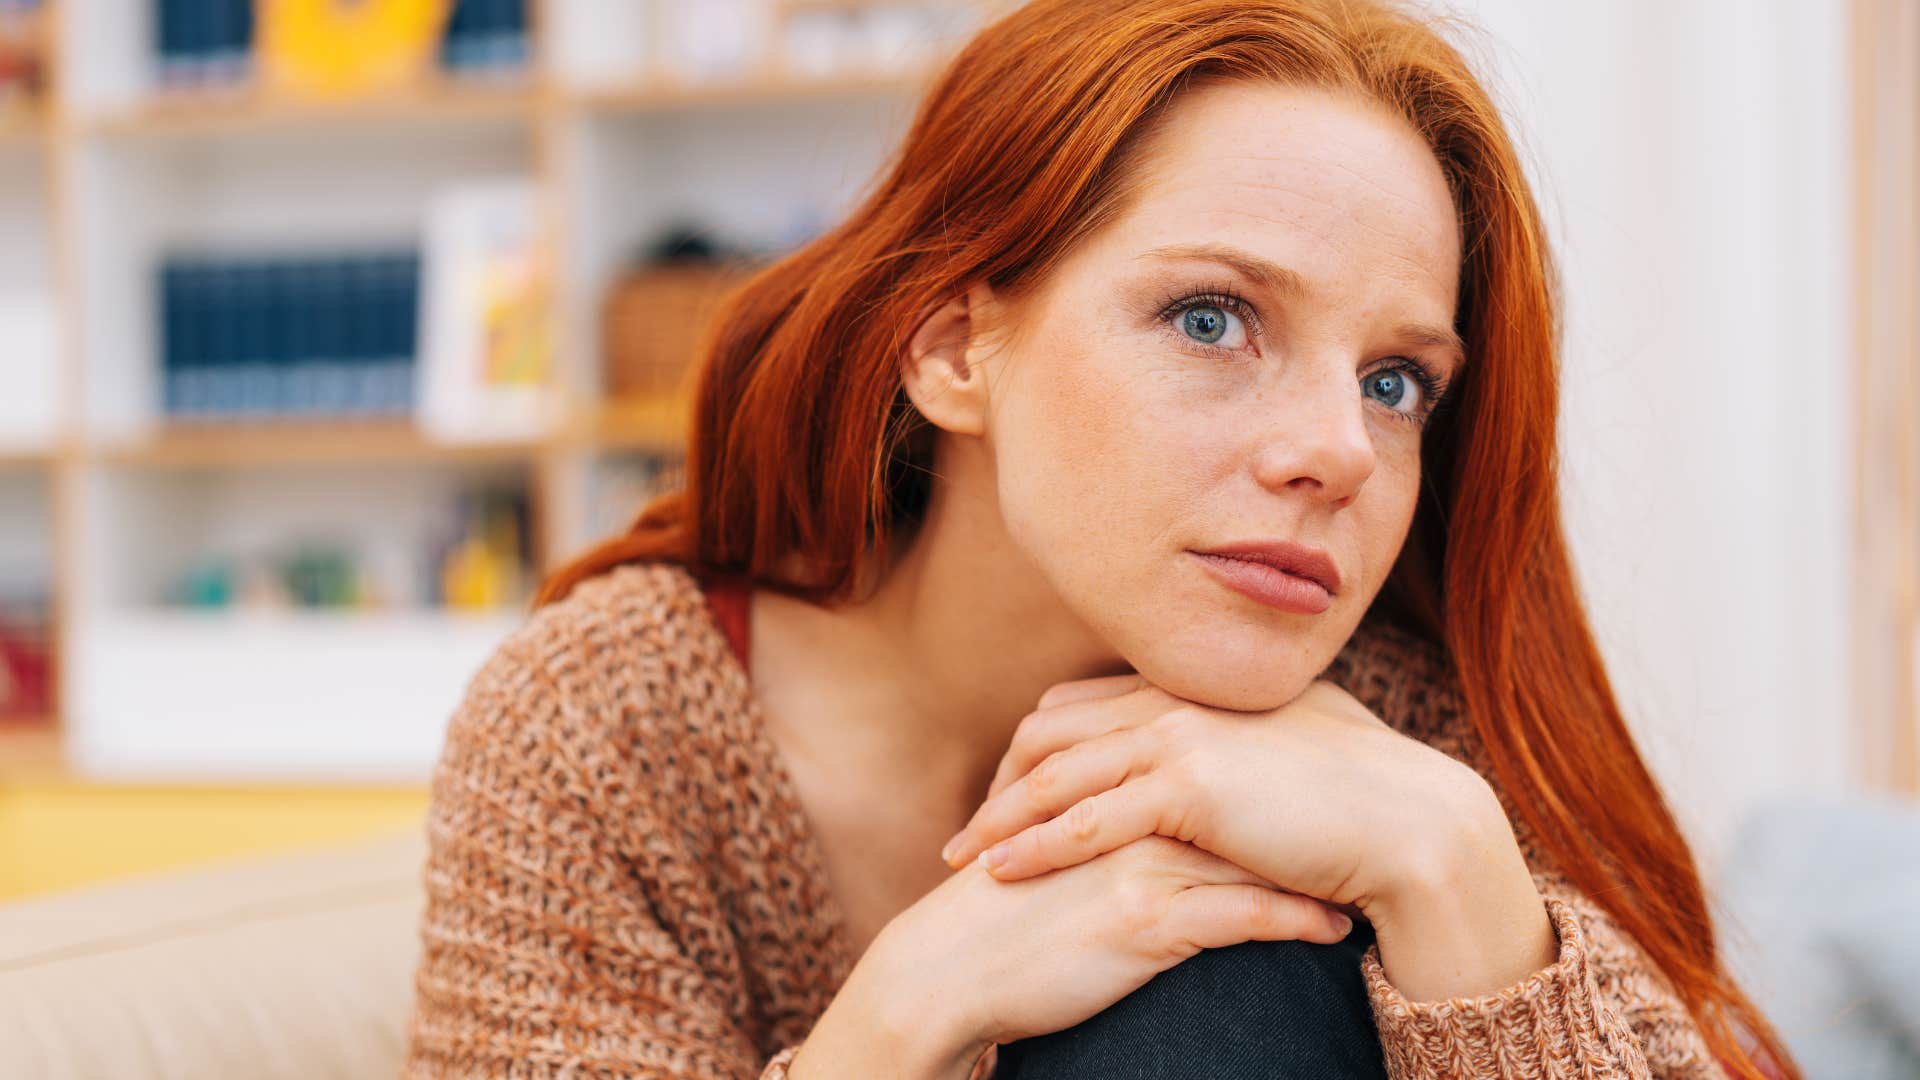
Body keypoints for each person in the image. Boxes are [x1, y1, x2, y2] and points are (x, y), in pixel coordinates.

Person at [399, 1, 1802, 1077]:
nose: (1336, 452)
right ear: (953, 349)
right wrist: (896, 1023)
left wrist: (1454, 869)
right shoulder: (602, 736)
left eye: (1396, 382)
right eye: (1211, 317)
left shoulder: (1396, 712)